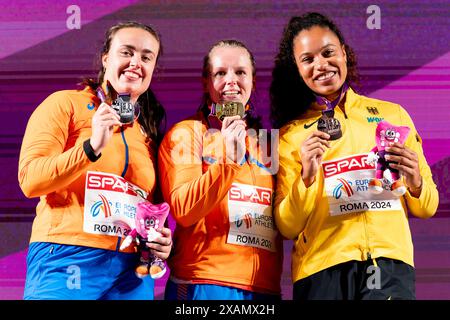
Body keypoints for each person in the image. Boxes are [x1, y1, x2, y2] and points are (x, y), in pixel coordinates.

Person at [270, 12, 439, 300]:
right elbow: (287, 226)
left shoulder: (392, 114)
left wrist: (416, 182)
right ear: (297, 69)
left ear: (344, 53)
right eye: (308, 60)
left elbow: (427, 206)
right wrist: (307, 180)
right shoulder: (291, 134)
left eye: (327, 52)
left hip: (389, 263)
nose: (321, 65)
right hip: (320, 270)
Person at [18, 21, 172, 300]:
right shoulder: (64, 104)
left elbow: (148, 208)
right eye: (127, 52)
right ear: (105, 58)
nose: (136, 62)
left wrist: (161, 240)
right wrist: (91, 148)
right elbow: (30, 180)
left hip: (131, 272)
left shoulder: (146, 133)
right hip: (66, 256)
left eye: (146, 57)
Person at [158, 39, 283, 300]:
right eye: (220, 73)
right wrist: (230, 159)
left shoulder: (266, 142)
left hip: (263, 287)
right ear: (206, 82)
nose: (231, 81)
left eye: (240, 72)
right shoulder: (187, 133)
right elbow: (184, 209)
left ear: (253, 80)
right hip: (203, 282)